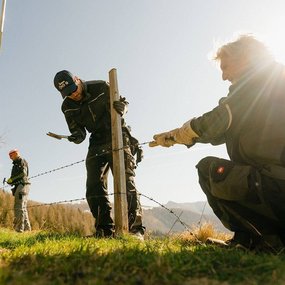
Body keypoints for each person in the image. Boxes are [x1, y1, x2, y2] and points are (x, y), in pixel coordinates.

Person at [150, 34, 285, 252]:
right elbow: (220, 132)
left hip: (275, 186)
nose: (223, 76)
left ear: (246, 59)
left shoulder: (257, 84)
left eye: (226, 67)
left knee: (208, 170)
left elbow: (216, 123)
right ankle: (273, 238)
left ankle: (255, 240)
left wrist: (175, 136)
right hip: (276, 183)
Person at [53, 70, 145, 239]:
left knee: (126, 180)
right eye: (67, 93)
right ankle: (104, 230)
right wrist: (75, 136)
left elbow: (123, 103)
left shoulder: (101, 86)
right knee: (94, 184)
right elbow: (79, 132)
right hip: (96, 140)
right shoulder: (66, 106)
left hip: (117, 132)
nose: (73, 94)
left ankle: (135, 230)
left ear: (77, 80)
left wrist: (123, 108)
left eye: (74, 89)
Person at [6, 149, 31, 233]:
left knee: (18, 206)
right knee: (22, 207)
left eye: (11, 155)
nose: (10, 157)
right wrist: (10, 181)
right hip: (18, 186)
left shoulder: (21, 161)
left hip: (23, 185)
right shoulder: (14, 165)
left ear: (16, 154)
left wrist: (12, 179)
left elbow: (23, 174)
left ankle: (19, 229)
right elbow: (15, 177)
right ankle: (27, 229)